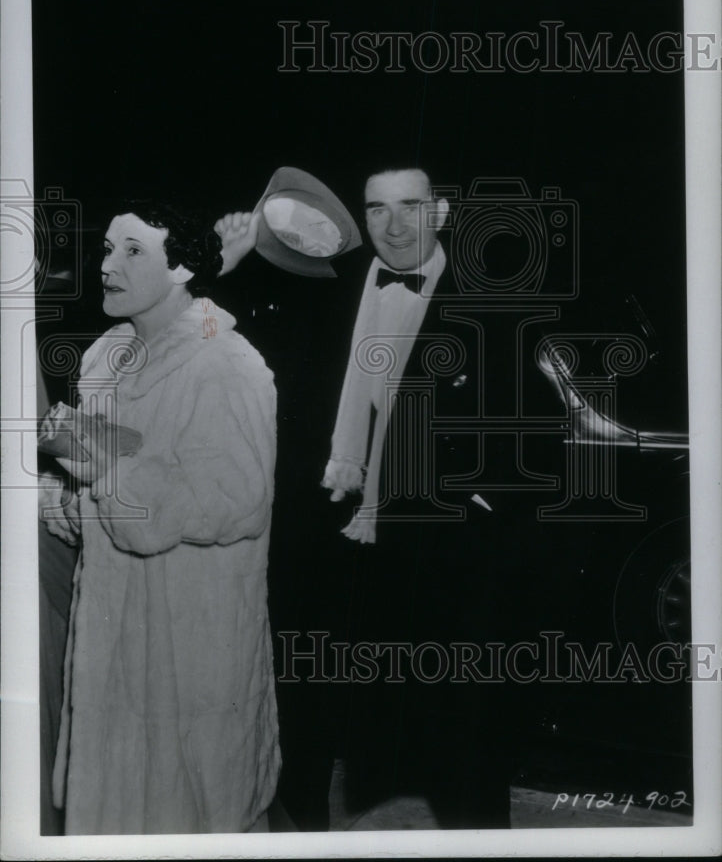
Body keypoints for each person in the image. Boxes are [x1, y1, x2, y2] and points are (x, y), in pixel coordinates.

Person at [39, 199, 279, 835]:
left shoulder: (228, 365)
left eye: (132, 251)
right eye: (107, 249)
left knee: (192, 811)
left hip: (190, 649)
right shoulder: (102, 360)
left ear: (180, 269)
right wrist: (69, 497)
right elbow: (103, 490)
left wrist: (103, 475)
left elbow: (236, 500)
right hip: (113, 639)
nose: (107, 266)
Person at [320, 168, 515, 829]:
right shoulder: (342, 288)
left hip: (451, 537)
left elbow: (529, 416)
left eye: (410, 207)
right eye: (377, 209)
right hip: (357, 526)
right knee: (373, 715)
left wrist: (480, 499)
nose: (393, 224)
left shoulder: (488, 294)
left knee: (464, 733)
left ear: (440, 211)